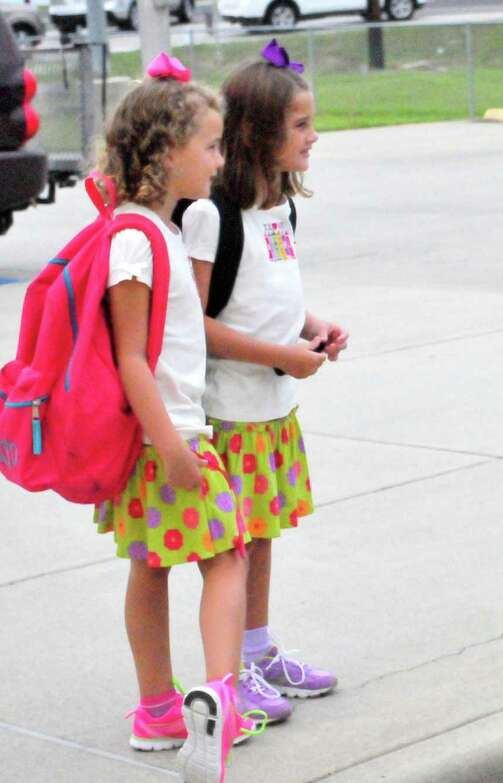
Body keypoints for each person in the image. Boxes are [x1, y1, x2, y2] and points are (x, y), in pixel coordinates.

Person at [92, 53, 261, 782]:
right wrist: (173, 446)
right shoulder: (135, 238)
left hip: (162, 434)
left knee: (151, 563)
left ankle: (157, 710)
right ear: (164, 153)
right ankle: (217, 702)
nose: (220, 161)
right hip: (168, 435)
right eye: (211, 146)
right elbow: (132, 356)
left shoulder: (161, 228)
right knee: (228, 556)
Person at [182, 40, 348, 726]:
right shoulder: (209, 215)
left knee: (264, 532)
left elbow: (271, 293)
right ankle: (234, 667)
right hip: (229, 410)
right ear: (257, 133)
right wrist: (278, 353)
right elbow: (192, 324)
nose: (315, 136)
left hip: (273, 407)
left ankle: (257, 646)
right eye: (301, 125)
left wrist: (311, 326)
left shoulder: (278, 208)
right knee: (235, 544)